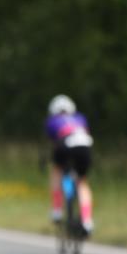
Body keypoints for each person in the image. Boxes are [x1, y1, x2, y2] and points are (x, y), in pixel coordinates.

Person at [46, 94, 94, 234]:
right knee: (82, 182)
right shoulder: (80, 118)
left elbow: (53, 142)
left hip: (65, 144)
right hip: (85, 144)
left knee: (57, 170)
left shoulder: (52, 120)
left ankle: (57, 210)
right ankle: (87, 220)